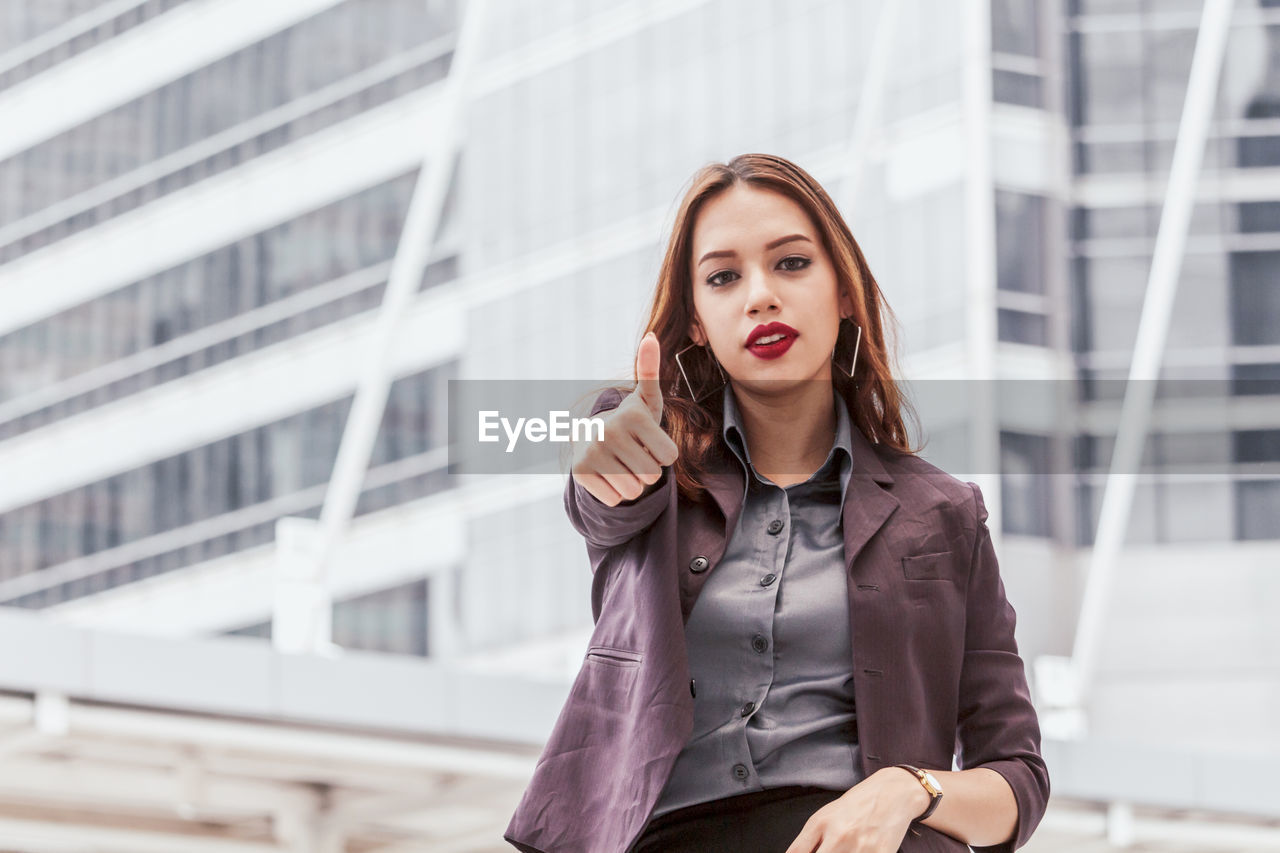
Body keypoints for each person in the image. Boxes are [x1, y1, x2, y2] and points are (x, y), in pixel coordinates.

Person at [504, 153, 1049, 853]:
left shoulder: (943, 513)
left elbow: (1018, 779)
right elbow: (606, 494)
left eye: (791, 264)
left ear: (844, 292)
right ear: (696, 321)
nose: (759, 296)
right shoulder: (652, 464)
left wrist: (911, 787)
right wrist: (603, 459)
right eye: (723, 277)